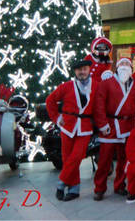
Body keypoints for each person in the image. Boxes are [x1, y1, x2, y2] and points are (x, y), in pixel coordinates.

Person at [46, 56, 96, 201]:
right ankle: (74, 189)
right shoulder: (66, 86)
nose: (82, 72)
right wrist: (56, 118)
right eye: (79, 70)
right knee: (67, 158)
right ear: (75, 72)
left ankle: (61, 184)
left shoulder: (96, 85)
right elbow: (50, 100)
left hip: (85, 128)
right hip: (67, 126)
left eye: (85, 69)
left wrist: (102, 125)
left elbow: (98, 108)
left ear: (89, 70)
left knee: (76, 157)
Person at [93, 57, 135, 200]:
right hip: (110, 126)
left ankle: (119, 186)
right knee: (104, 160)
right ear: (117, 67)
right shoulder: (106, 83)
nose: (124, 66)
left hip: (127, 126)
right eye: (122, 64)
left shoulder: (134, 84)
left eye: (127, 64)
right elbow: (99, 105)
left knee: (124, 160)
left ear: (131, 68)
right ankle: (99, 188)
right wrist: (102, 124)